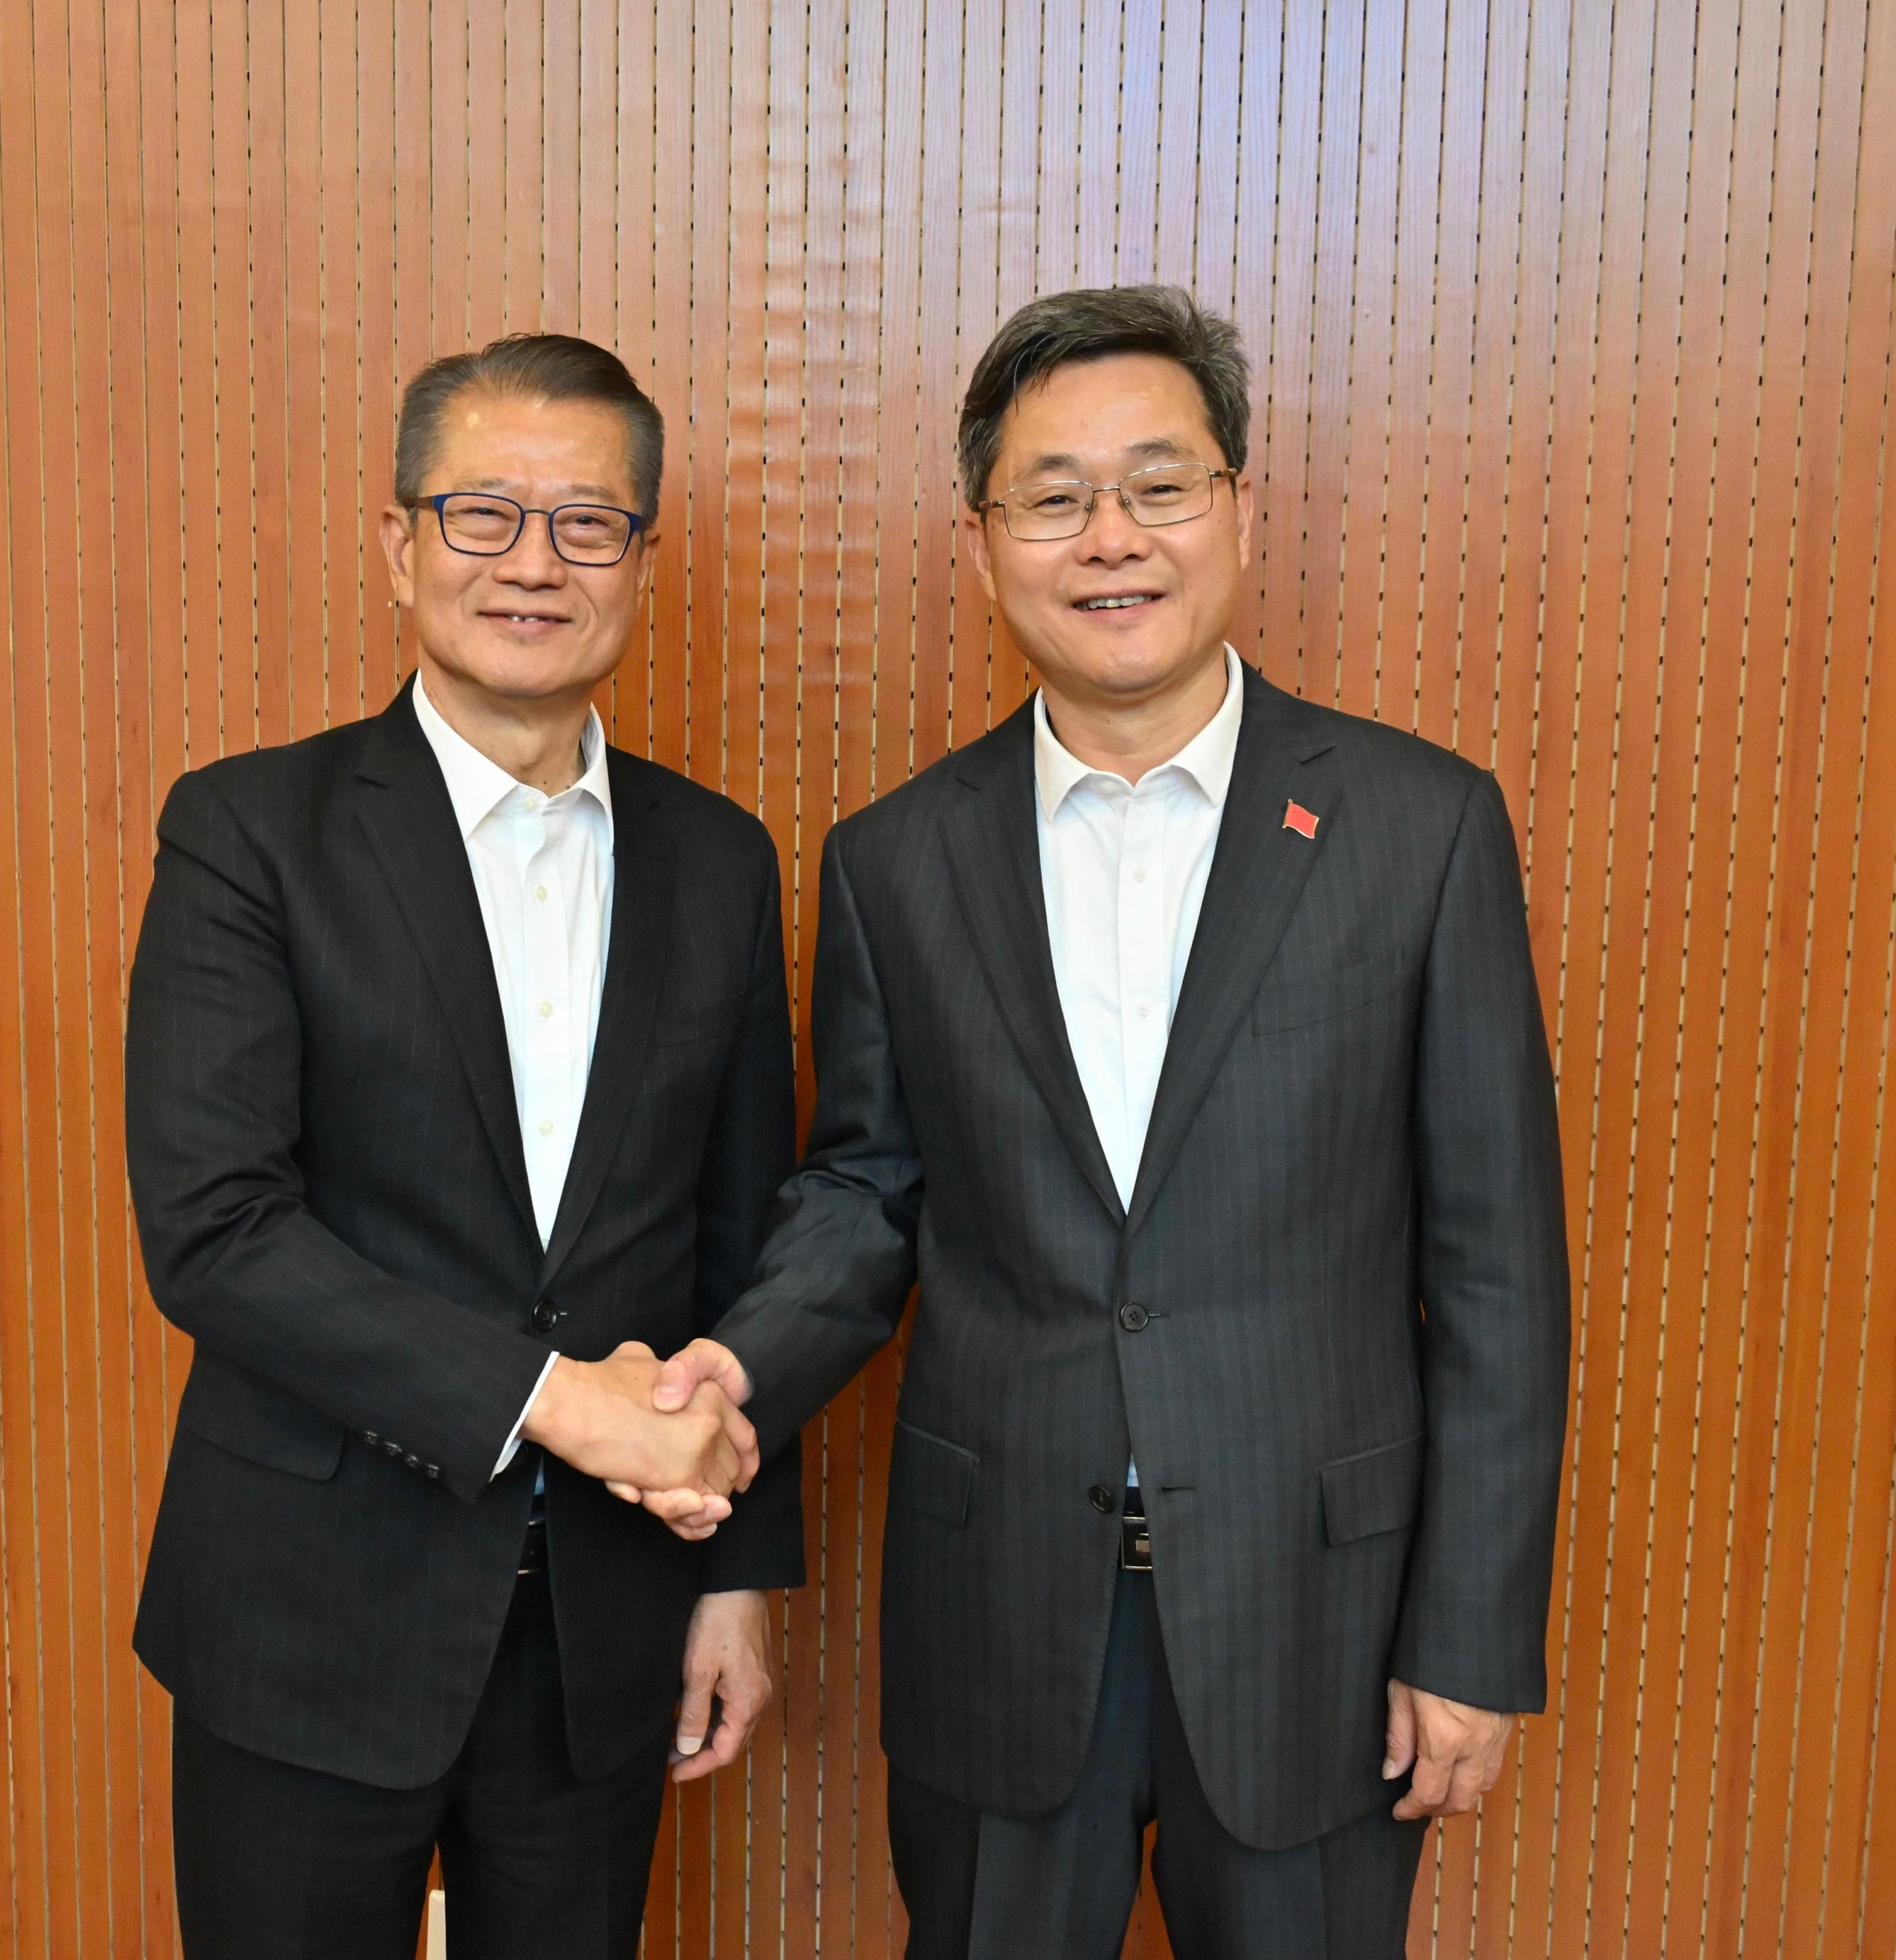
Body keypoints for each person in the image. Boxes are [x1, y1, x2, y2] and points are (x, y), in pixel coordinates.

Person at [634, 286, 1572, 1958]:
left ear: (1238, 510)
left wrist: (1473, 1633)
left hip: (1322, 1618)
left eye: (1160, 485)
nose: (1110, 538)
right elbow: (864, 1196)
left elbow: (1498, 1266)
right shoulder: (896, 860)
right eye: (1055, 496)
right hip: (1003, 1611)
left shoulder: (1418, 828)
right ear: (985, 540)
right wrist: (740, 1367)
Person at [124, 332, 803, 1960]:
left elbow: (743, 1243)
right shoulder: (246, 831)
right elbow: (216, 1228)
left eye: (588, 523)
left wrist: (737, 1577)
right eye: (484, 512)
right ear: (400, 542)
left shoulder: (718, 860)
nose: (532, 563)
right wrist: (561, 1402)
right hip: (305, 1608)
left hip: (607, 1620)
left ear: (641, 557)